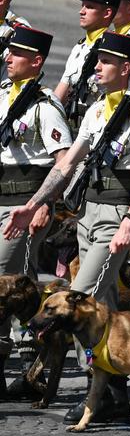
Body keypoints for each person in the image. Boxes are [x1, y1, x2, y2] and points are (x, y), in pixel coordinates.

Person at [5, 31, 130, 424]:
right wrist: (36, 203)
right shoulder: (95, 111)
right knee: (103, 307)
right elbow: (66, 163)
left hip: (116, 219)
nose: (98, 67)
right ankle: (115, 398)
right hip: (87, 216)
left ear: (125, 68)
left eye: (105, 62)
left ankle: (103, 392)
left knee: (81, 298)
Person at [0, 26, 72, 400]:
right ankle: (34, 369)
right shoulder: (3, 96)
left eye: (17, 53)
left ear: (37, 61)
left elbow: (64, 162)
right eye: (8, 52)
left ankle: (32, 371)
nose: (7, 57)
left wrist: (45, 204)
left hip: (23, 207)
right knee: (19, 294)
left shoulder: (44, 105)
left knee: (7, 287)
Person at [55, 0, 125, 123]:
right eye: (82, 6)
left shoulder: (115, 51)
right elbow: (61, 92)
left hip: (99, 125)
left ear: (107, 13)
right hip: (72, 123)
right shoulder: (79, 48)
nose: (81, 11)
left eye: (89, 7)